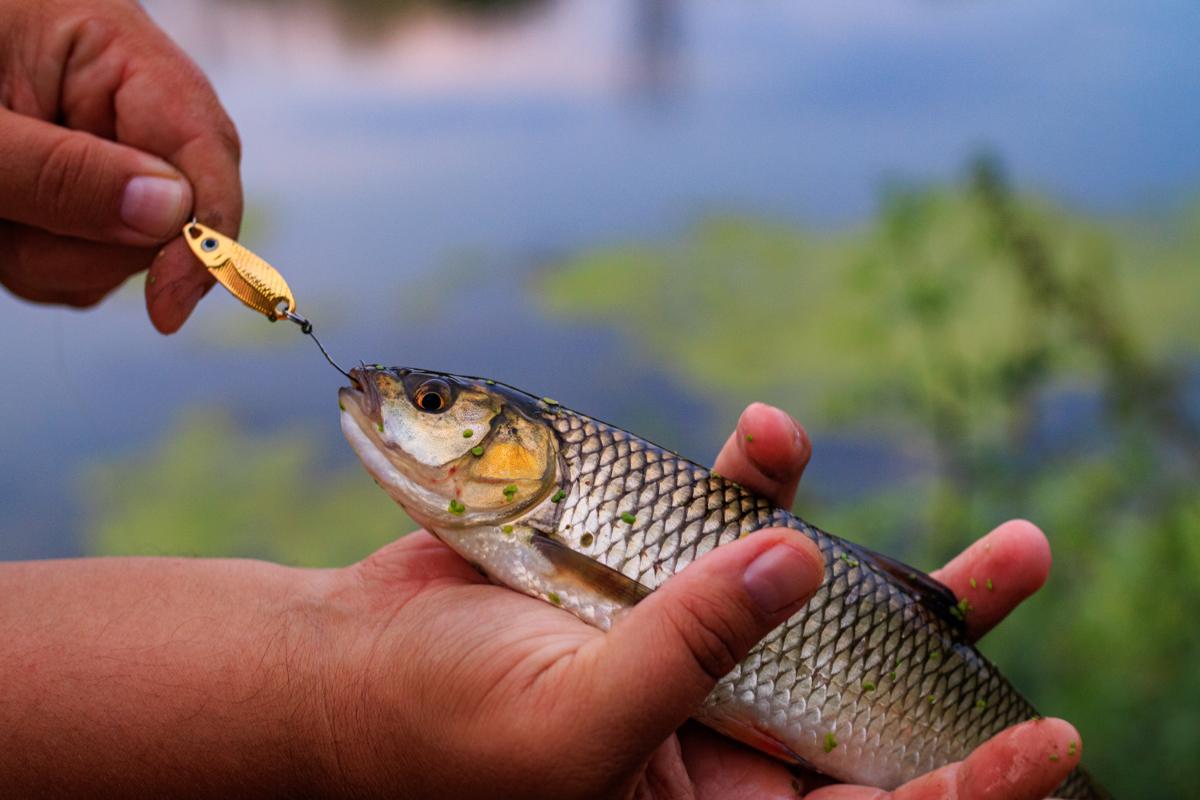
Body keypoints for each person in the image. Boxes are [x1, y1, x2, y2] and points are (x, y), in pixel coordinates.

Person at [0, 2, 1083, 797]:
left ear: (515, 451)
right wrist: (346, 687)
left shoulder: (542, 522)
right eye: (430, 397)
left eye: (428, 399)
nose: (393, 399)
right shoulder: (519, 526)